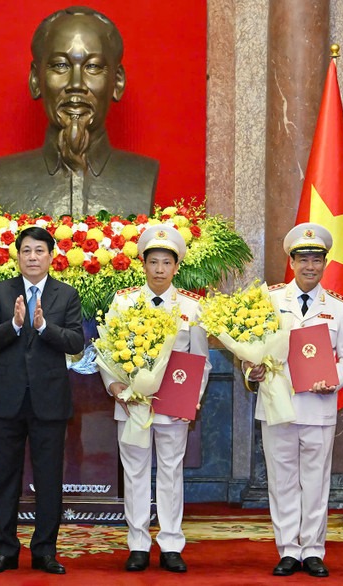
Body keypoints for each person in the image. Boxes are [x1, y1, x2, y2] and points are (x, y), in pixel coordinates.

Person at [243, 222, 343, 578]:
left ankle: (312, 550)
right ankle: (288, 550)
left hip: (318, 407)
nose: (310, 266)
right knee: (281, 481)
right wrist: (251, 371)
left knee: (315, 483)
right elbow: (249, 350)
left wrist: (333, 379)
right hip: (277, 406)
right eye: (303, 259)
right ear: (291, 262)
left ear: (325, 263)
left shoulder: (337, 307)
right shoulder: (269, 300)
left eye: (316, 259)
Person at [98, 225, 211, 573]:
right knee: (134, 473)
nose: (160, 269)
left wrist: (192, 400)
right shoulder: (124, 302)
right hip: (132, 404)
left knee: (171, 473)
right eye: (153, 262)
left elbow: (201, 360)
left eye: (166, 263)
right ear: (143, 265)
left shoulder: (191, 306)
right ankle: (138, 544)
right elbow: (106, 351)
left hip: (173, 407)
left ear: (176, 267)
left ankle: (171, 543)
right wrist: (114, 387)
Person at [0, 226, 84, 575]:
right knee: (5, 478)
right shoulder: (1, 291)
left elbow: (75, 342)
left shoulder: (66, 295)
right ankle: (4, 551)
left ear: (51, 256)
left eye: (39, 251)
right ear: (18, 256)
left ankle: (45, 552)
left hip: (49, 400)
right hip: (7, 399)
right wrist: (14, 324)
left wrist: (42, 327)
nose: (33, 257)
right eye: (26, 250)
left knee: (49, 479)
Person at [0, 5, 158, 218]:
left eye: (93, 67)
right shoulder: (8, 175)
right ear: (35, 80)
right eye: (60, 65)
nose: (76, 84)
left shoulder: (143, 175)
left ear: (117, 82)